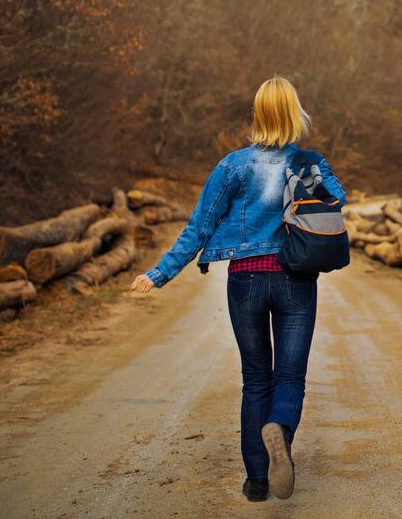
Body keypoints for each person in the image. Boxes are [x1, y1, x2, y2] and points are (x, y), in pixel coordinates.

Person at [130, 76, 346, 502]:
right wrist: (304, 178)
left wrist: (158, 274)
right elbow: (336, 201)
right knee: (289, 377)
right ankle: (279, 430)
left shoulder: (232, 165)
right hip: (296, 279)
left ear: (258, 114)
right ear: (294, 113)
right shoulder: (307, 162)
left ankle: (258, 481)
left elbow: (199, 227)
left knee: (255, 380)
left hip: (245, 281)